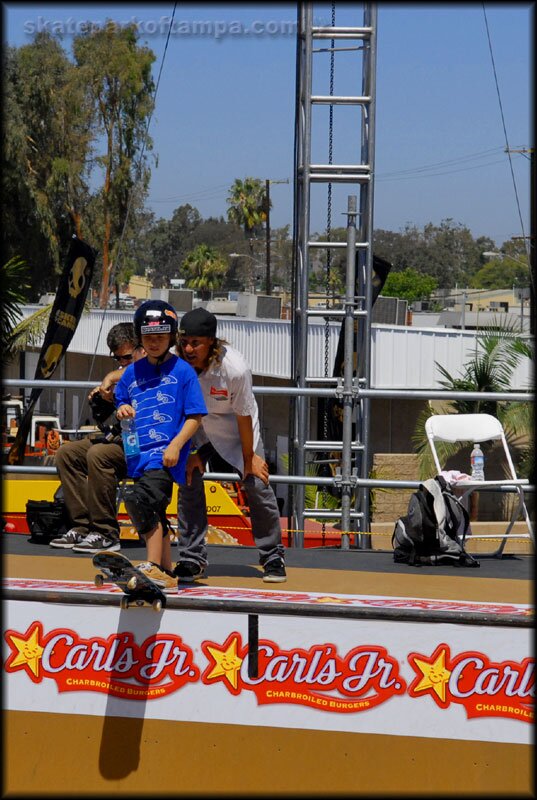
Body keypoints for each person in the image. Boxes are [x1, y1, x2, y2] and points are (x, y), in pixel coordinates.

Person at [175, 306, 287, 583]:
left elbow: (243, 416)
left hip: (238, 429)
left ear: (211, 341)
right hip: (198, 425)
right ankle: (191, 558)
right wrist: (192, 452)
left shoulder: (234, 369)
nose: (188, 349)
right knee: (188, 479)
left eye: (195, 343)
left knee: (257, 483)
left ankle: (272, 556)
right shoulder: (175, 363)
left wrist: (249, 458)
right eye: (184, 342)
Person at [114, 299, 207, 591]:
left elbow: (195, 417)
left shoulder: (183, 372)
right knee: (153, 509)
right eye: (148, 337)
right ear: (140, 338)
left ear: (171, 337)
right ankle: (167, 570)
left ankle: (152, 567)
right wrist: (122, 409)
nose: (154, 343)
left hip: (166, 455)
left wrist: (176, 446)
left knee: (142, 502)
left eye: (160, 337)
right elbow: (121, 399)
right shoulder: (132, 372)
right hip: (137, 454)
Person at [50, 323, 144, 554]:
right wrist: (105, 398)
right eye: (118, 360)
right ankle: (82, 527)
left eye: (127, 357)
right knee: (67, 453)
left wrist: (111, 377)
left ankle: (106, 533)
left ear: (142, 349)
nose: (123, 364)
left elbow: (136, 375)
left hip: (146, 445)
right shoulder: (124, 376)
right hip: (124, 438)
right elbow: (107, 416)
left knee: (99, 454)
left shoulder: (153, 367)